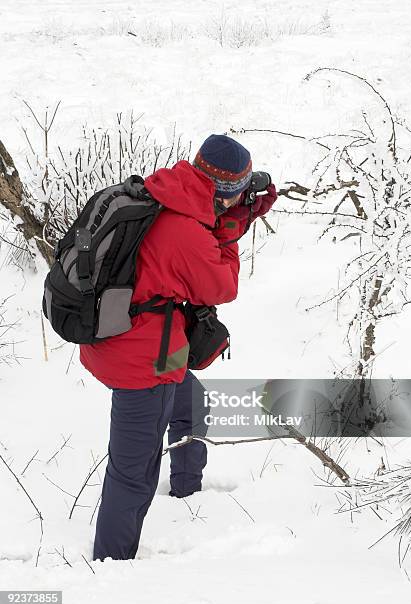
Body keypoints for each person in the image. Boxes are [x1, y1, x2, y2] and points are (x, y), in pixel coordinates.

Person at [79, 134, 278, 561]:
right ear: (224, 191)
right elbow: (221, 287)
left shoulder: (170, 191)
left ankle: (187, 489)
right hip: (140, 360)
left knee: (189, 401)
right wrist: (231, 233)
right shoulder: (186, 230)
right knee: (132, 472)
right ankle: (110, 566)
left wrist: (227, 217)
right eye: (239, 191)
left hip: (151, 340)